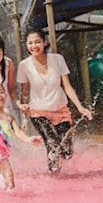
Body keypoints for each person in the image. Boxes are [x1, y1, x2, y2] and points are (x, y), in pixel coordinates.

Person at [16, 28, 93, 175]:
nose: (34, 46)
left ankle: (61, 167)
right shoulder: (24, 65)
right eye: (30, 43)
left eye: (37, 42)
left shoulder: (57, 59)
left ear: (44, 42)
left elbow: (68, 87)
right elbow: (24, 93)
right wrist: (24, 118)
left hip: (60, 109)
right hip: (38, 111)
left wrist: (80, 107)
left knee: (66, 151)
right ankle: (54, 177)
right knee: (52, 142)